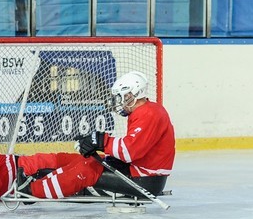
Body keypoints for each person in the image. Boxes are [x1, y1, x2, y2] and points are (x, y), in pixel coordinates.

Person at [13, 70, 175, 200]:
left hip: (145, 180)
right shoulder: (145, 111)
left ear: (133, 94)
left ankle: (31, 191)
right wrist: (98, 143)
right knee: (85, 161)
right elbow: (133, 150)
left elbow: (130, 151)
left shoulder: (149, 113)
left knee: (86, 170)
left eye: (123, 97)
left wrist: (100, 141)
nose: (120, 101)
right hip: (139, 171)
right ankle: (34, 175)